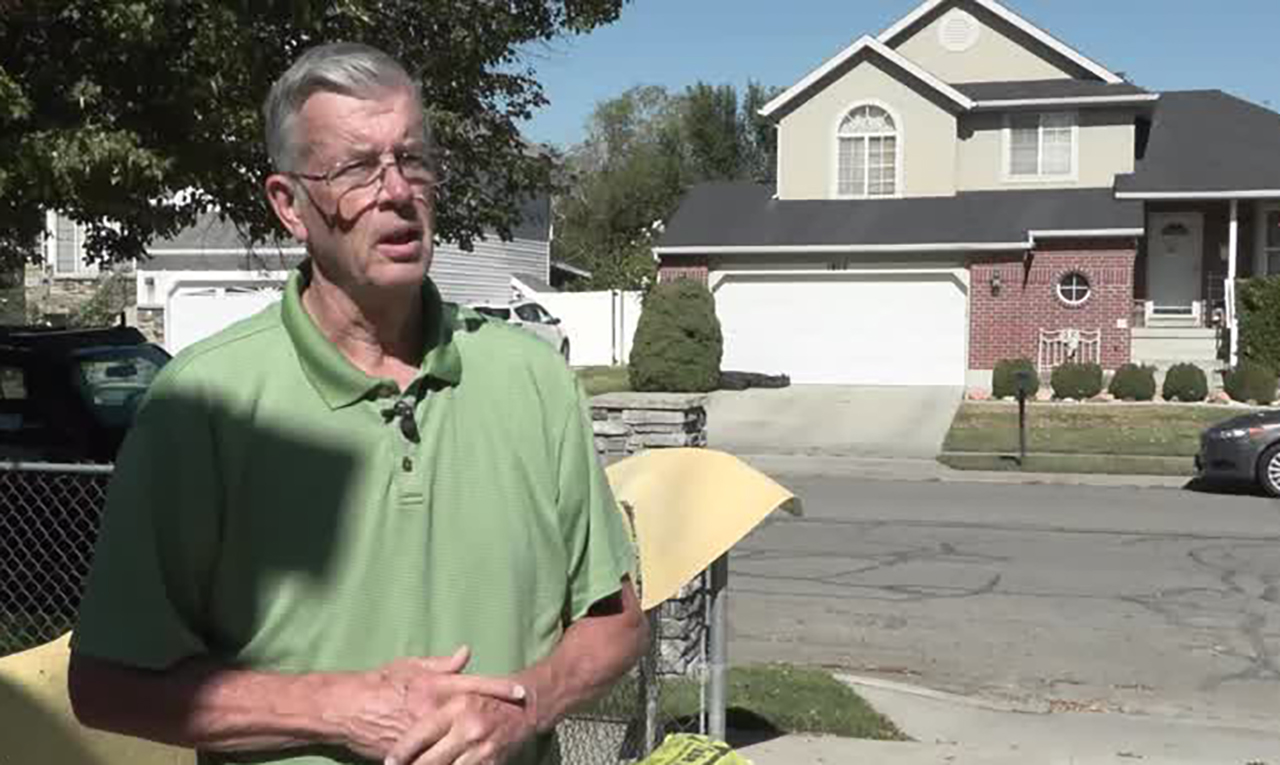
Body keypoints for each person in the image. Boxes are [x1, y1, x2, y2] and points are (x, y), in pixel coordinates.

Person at [67, 42, 648, 765]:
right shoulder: (201, 404)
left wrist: (524, 706)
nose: (398, 189)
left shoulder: (533, 381)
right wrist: (335, 707)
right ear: (289, 205)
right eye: (357, 168)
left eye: (412, 159)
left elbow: (615, 623)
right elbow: (107, 683)